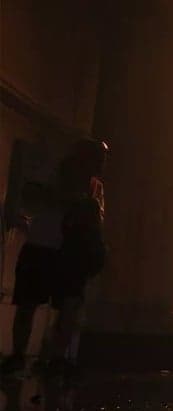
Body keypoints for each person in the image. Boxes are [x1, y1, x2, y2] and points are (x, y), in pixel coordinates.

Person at [2, 140, 107, 376]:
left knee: (68, 308)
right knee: (28, 304)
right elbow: (30, 197)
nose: (100, 165)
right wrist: (65, 198)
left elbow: (96, 219)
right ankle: (19, 355)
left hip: (71, 253)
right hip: (42, 245)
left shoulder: (95, 187)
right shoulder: (53, 173)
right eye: (97, 159)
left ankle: (54, 358)